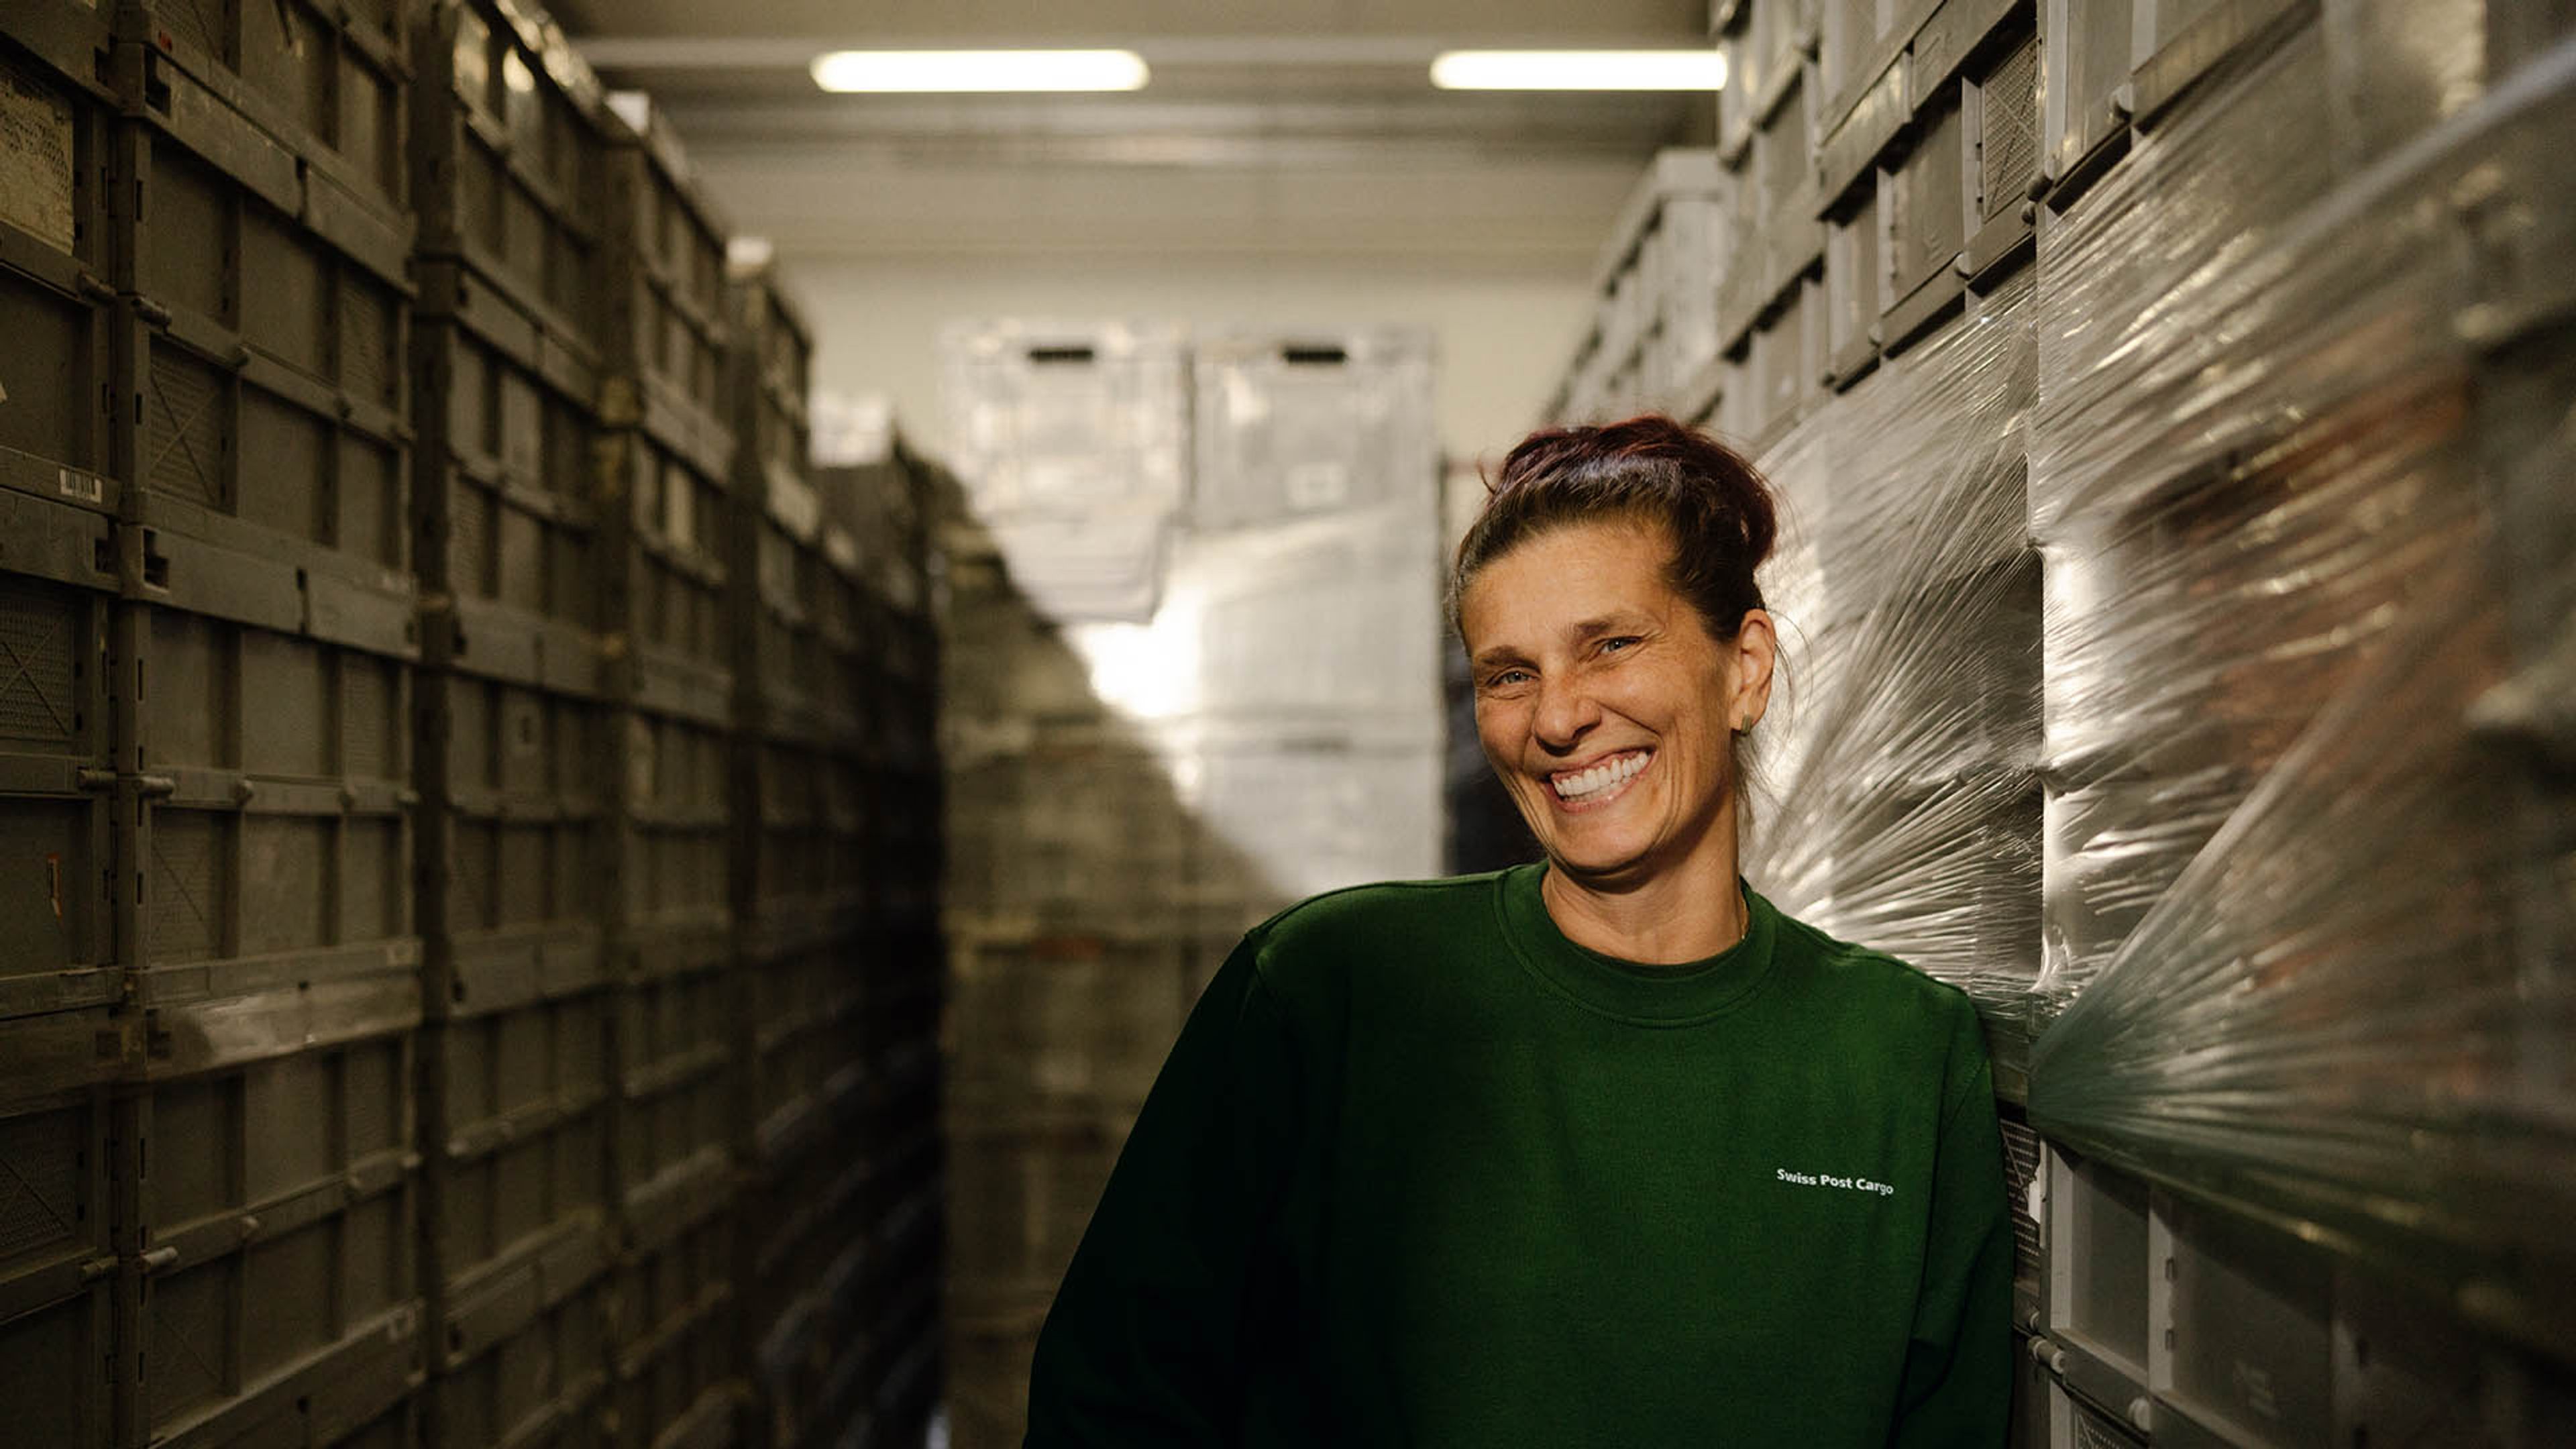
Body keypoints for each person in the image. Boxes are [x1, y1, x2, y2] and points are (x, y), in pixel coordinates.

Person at [1023, 415, 2012, 1446]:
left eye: (1612, 645)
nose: (1556, 718)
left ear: (1745, 668)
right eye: (1508, 674)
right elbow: (1110, 1401)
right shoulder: (1330, 987)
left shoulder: (1900, 1049)